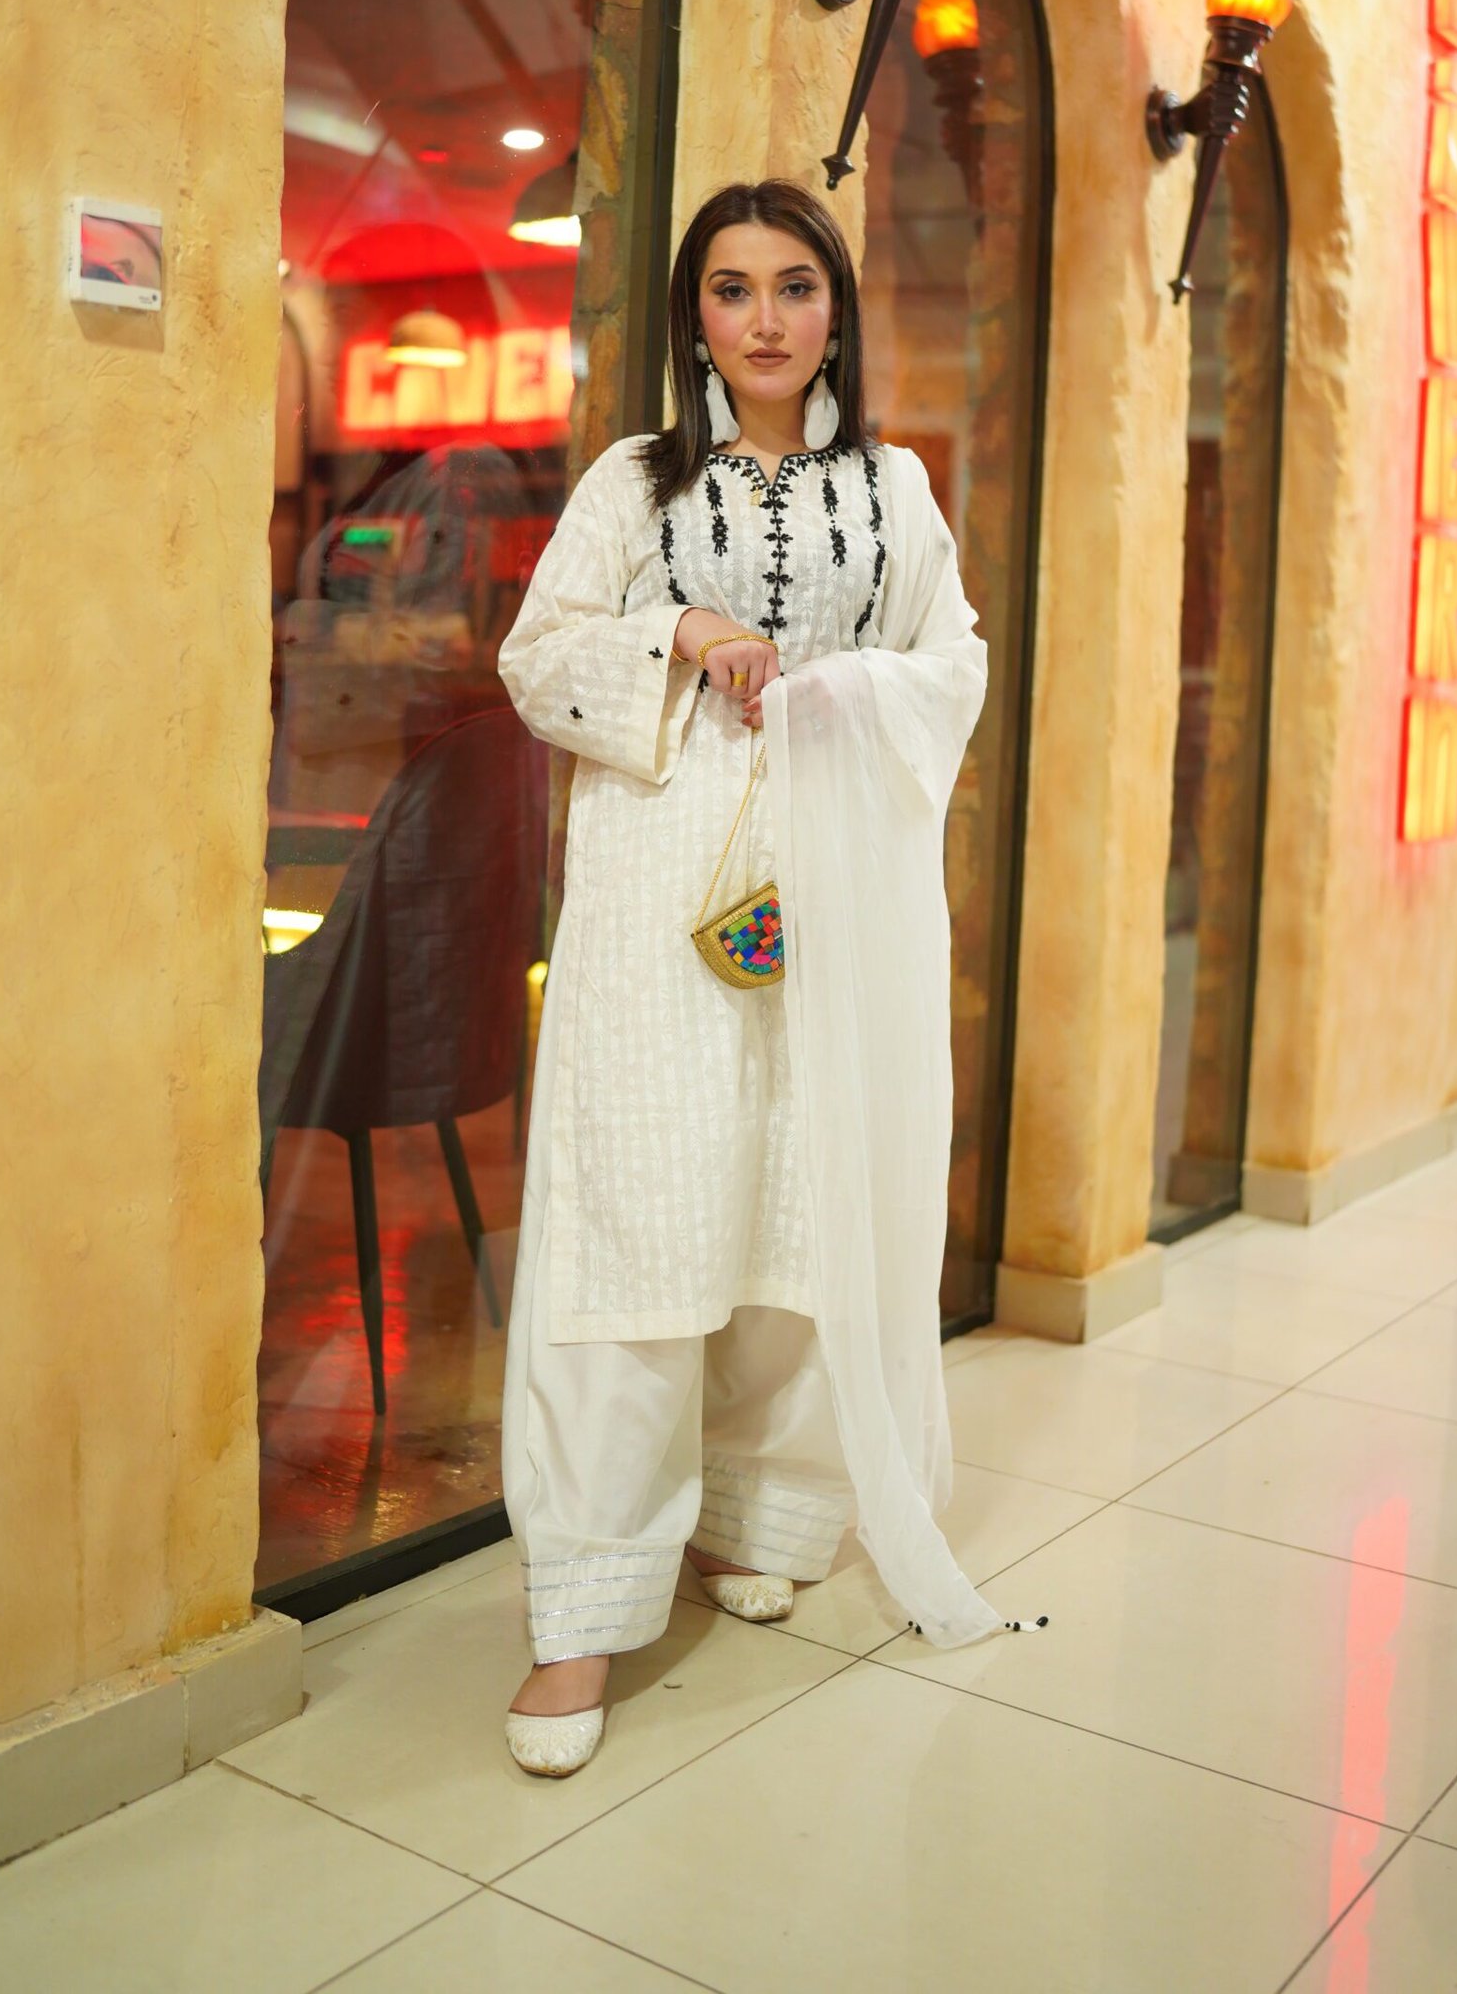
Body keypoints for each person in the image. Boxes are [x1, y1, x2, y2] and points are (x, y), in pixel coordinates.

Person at [496, 178, 1007, 1779]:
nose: (767, 319)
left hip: (839, 887)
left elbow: (955, 667)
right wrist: (680, 632)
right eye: (733, 289)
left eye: (796, 285)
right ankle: (585, 1606)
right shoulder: (634, 483)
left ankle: (758, 1514)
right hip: (660, 887)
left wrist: (838, 692)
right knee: (643, 1214)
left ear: (836, 309)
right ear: (694, 317)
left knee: (802, 1198)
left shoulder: (895, 490)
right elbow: (537, 659)